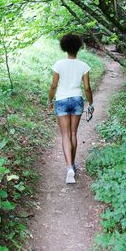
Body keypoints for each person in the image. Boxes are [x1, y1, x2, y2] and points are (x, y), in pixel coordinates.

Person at [48, 34, 94, 184]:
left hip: (61, 99)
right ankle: (72, 166)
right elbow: (87, 88)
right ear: (78, 47)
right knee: (73, 134)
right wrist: (91, 103)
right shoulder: (83, 65)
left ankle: (69, 168)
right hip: (77, 100)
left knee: (65, 135)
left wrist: (50, 99)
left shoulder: (59, 64)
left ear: (64, 47)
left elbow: (53, 85)